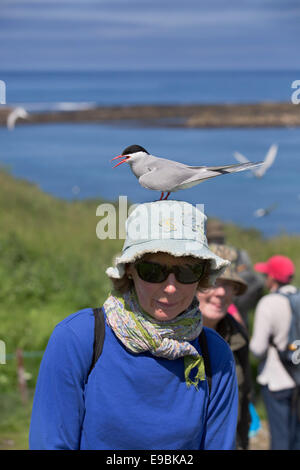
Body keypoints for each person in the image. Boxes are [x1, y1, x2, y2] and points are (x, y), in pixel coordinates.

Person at [29, 200, 238, 450]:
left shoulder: (215, 354)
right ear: (129, 269)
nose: (171, 287)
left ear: (202, 275)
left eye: (187, 272)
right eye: (153, 270)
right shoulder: (79, 337)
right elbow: (51, 443)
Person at [196, 243, 252, 450]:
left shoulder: (238, 337)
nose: (221, 292)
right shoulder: (167, 339)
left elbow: (243, 403)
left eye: (229, 284)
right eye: (213, 281)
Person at [250, 255, 300, 450]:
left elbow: (258, 348)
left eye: (266, 274)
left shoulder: (268, 303)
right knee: (297, 436)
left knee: (280, 438)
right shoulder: (298, 297)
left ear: (272, 278)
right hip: (297, 375)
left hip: (276, 379)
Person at [206, 219, 264, 330]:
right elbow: (256, 279)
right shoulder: (240, 253)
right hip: (238, 303)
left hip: (228, 305)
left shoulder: (202, 254)